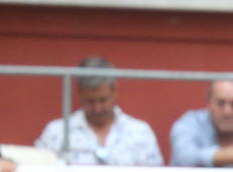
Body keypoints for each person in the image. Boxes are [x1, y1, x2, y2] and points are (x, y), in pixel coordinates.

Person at [33, 57, 162, 166]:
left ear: (115, 91)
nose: (97, 108)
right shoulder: (57, 133)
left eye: (103, 100)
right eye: (90, 101)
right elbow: (35, 171)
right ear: (79, 93)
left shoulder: (140, 133)